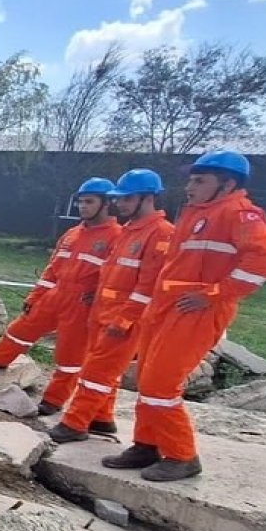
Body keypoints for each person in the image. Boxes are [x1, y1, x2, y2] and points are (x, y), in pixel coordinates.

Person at [103, 151, 266, 481]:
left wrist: (214, 294)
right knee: (148, 378)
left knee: (162, 383)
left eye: (200, 181)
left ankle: (182, 456)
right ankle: (146, 444)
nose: (190, 186)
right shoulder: (196, 213)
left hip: (196, 312)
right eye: (190, 179)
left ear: (227, 184)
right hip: (167, 308)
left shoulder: (239, 213)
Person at [0, 178, 122, 415]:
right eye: (80, 202)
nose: (82, 207)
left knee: (70, 355)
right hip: (56, 293)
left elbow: (117, 276)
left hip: (82, 303)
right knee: (21, 329)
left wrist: (99, 298)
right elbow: (52, 269)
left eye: (89, 202)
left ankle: (53, 400)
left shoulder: (116, 236)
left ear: (106, 204)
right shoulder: (73, 233)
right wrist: (35, 296)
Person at [49, 169, 175, 443]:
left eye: (127, 199)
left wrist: (126, 319)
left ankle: (74, 423)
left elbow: (149, 285)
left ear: (147, 198)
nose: (120, 204)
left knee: (95, 372)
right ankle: (102, 418)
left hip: (125, 319)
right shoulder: (130, 230)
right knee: (106, 372)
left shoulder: (161, 233)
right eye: (120, 199)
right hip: (103, 313)